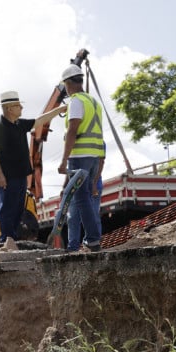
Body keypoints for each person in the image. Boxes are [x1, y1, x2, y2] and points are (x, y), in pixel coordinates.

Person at [0, 90, 65, 250]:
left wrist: (58, 110)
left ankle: (12, 238)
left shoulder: (20, 124)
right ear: (9, 108)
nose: (21, 107)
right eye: (18, 105)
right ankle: (6, 238)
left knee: (18, 208)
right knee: (7, 208)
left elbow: (40, 120)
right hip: (7, 177)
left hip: (21, 175)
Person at [58, 64, 104, 253]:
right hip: (94, 156)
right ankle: (87, 241)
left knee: (82, 199)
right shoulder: (93, 101)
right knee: (83, 200)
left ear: (69, 83)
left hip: (80, 156)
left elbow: (72, 130)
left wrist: (63, 160)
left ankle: (92, 240)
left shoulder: (76, 101)